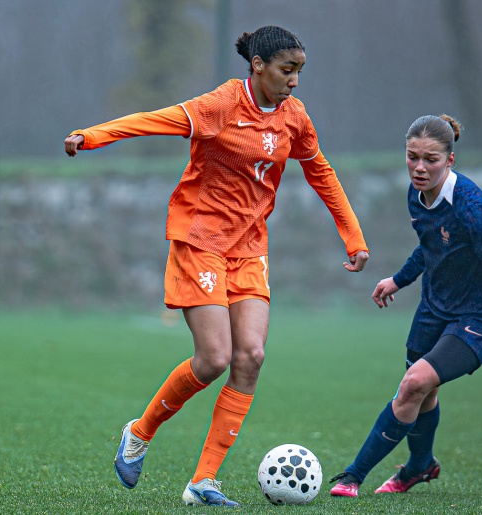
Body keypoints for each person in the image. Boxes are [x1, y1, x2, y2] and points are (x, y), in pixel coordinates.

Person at [64, 25, 370, 507]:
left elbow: (321, 173)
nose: (294, 81)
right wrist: (91, 136)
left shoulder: (295, 117)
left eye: (299, 71)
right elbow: (152, 121)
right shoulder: (221, 105)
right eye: (287, 70)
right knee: (214, 358)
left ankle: (203, 480)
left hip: (249, 247)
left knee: (251, 357)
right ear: (258, 66)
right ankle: (139, 433)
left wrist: (353, 237)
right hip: (200, 239)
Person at [329, 114, 482, 498]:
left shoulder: (474, 210)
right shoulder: (415, 194)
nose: (419, 167)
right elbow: (432, 244)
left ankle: (352, 477)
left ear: (450, 160)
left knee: (414, 383)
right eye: (412, 157)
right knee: (424, 390)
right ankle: (420, 466)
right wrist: (399, 279)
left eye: (430, 159)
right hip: (437, 305)